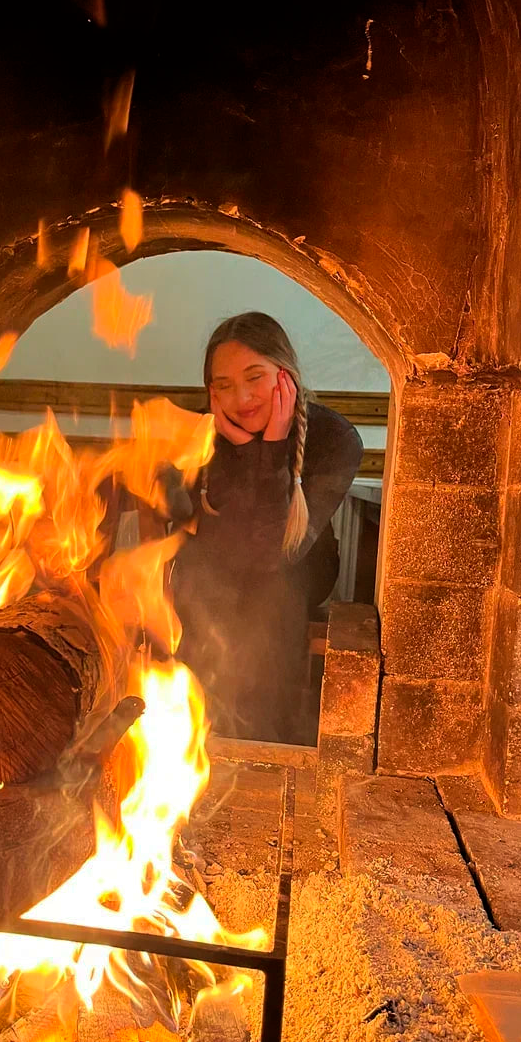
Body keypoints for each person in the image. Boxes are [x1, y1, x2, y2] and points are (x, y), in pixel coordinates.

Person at [168, 311, 364, 744]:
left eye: (254, 377)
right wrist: (238, 449)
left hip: (298, 565)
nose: (242, 397)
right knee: (198, 572)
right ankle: (192, 726)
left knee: (272, 591)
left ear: (286, 375)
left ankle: (264, 738)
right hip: (224, 564)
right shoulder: (208, 435)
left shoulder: (335, 438)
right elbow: (214, 539)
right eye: (223, 385)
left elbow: (272, 553)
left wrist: (273, 447)